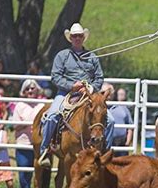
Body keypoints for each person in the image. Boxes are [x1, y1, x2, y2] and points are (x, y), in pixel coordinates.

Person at [38, 23, 115, 167]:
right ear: (70, 38)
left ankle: (105, 151)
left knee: (110, 120)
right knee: (52, 116)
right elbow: (55, 76)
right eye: (75, 36)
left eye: (80, 36)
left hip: (89, 95)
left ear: (83, 38)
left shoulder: (92, 57)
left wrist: (91, 88)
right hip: (65, 93)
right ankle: (45, 149)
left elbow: (99, 77)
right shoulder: (62, 56)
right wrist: (71, 86)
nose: (77, 38)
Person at [12, 79, 45, 188]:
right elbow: (14, 125)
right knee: (24, 174)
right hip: (24, 144)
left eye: (32, 88)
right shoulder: (19, 105)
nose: (30, 91)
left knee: (40, 175)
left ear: (37, 90)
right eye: (27, 89)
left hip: (39, 145)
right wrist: (30, 123)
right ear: (23, 92)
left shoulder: (42, 105)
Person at [102, 83, 133, 157]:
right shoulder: (98, 109)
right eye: (104, 92)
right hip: (104, 143)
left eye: (110, 92)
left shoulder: (122, 107)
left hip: (121, 143)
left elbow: (130, 126)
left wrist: (127, 142)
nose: (107, 95)